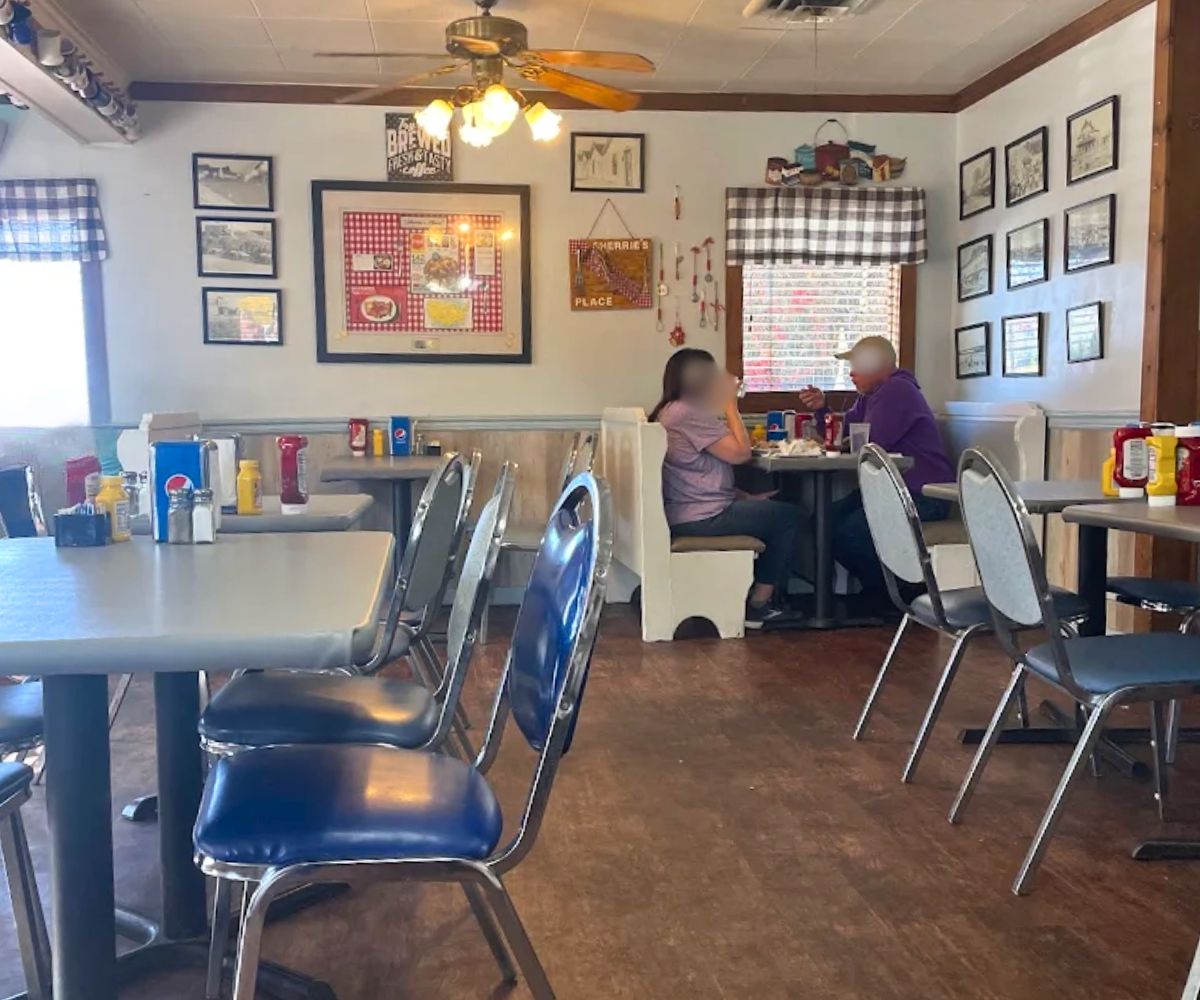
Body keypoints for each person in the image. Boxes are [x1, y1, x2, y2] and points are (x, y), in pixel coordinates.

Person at [799, 336, 954, 605]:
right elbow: (841, 437)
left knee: (849, 531)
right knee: (823, 521)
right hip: (890, 491)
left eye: (858, 366)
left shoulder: (897, 391)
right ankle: (883, 591)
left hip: (922, 494)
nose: (851, 374)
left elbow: (872, 444)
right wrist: (822, 408)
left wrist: (844, 441)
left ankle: (896, 595)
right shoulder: (870, 397)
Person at [651, 349, 800, 629]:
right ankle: (758, 605)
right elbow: (741, 453)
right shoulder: (687, 412)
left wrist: (746, 497)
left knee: (778, 512)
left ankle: (761, 598)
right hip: (701, 518)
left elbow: (696, 474)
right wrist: (730, 405)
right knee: (789, 517)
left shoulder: (671, 410)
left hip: (689, 511)